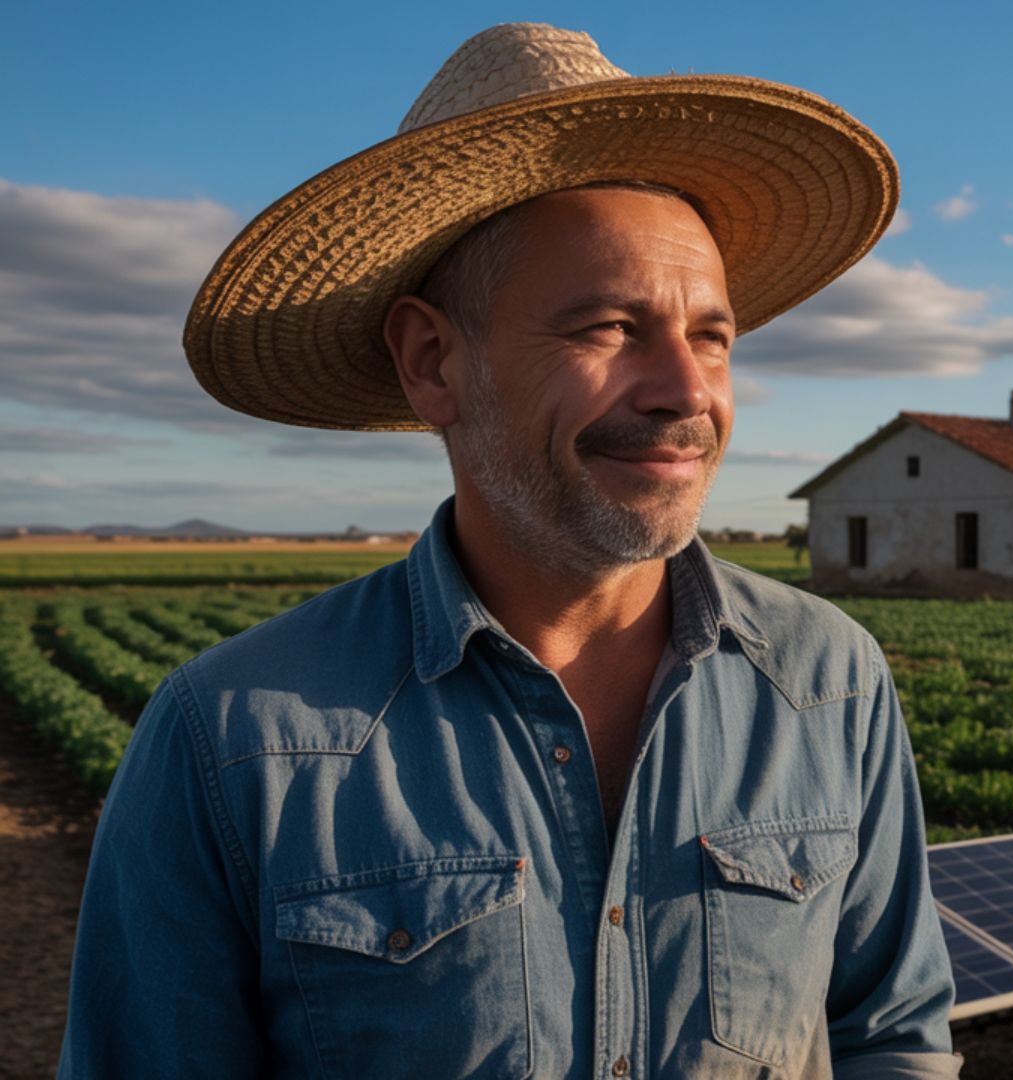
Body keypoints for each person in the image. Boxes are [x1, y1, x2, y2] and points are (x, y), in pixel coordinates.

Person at [59, 23, 960, 1080]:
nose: (687, 390)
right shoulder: (233, 741)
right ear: (433, 361)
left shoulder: (828, 680)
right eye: (610, 327)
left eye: (711, 334)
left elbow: (890, 1036)